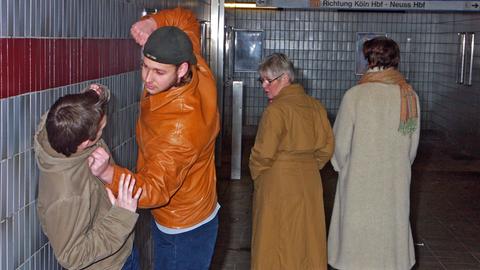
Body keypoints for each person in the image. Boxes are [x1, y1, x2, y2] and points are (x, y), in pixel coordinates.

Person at [87, 8, 220, 270]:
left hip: (182, 229)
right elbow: (186, 20)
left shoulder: (180, 128)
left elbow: (154, 190)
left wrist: (108, 173)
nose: (148, 78)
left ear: (181, 69)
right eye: (144, 66)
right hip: (196, 206)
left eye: (158, 72)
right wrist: (153, 23)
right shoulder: (194, 65)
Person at [327, 37, 420, 270]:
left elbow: (338, 146)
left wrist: (342, 166)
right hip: (393, 183)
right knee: (390, 243)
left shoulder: (355, 96)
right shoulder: (409, 96)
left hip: (359, 184)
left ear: (369, 60)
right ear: (395, 60)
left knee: (356, 245)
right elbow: (412, 147)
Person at [34, 84, 142, 270]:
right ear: (86, 142)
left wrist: (95, 94)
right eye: (102, 127)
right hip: (111, 265)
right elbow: (71, 256)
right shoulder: (66, 195)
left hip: (121, 247)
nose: (104, 127)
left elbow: (85, 110)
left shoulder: (57, 127)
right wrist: (122, 216)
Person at [249, 53, 334, 270]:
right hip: (309, 181)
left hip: (278, 182)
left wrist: (257, 175)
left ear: (286, 78)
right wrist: (309, 166)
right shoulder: (316, 106)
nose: (264, 86)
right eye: (262, 81)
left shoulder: (276, 110)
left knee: (275, 241)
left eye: (269, 80)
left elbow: (262, 153)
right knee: (307, 239)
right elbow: (327, 147)